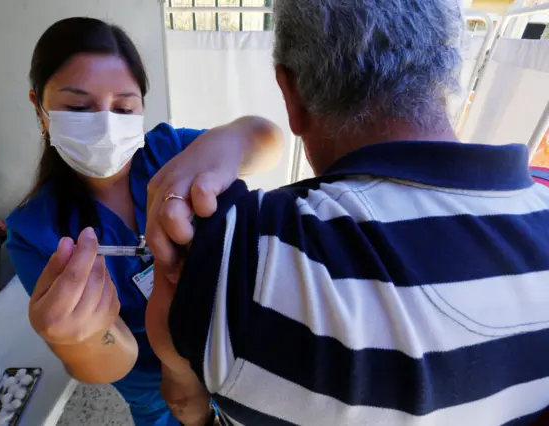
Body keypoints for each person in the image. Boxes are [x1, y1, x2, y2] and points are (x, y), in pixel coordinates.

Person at [142, 0, 549, 425]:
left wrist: (232, 139)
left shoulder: (238, 258)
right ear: (451, 66)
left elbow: (185, 402)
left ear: (291, 93)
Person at [5, 17, 283, 426]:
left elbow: (267, 141)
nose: (104, 124)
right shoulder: (35, 233)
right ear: (40, 109)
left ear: (141, 109)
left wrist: (236, 138)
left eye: (123, 108)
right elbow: (113, 365)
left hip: (230, 350)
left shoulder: (172, 151)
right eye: (79, 108)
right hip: (154, 388)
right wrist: (77, 343)